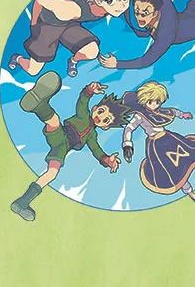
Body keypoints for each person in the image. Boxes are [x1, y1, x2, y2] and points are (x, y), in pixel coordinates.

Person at [10, 70, 129, 221]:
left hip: (62, 149)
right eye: (101, 111)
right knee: (54, 121)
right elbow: (82, 103)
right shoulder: (83, 115)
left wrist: (106, 160)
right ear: (95, 108)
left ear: (106, 127)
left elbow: (96, 150)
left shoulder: (92, 136)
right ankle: (39, 105)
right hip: (62, 134)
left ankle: (22, 202)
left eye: (106, 120)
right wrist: (89, 91)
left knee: (51, 174)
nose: (100, 118)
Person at [8, 0, 143, 78]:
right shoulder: (71, 9)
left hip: (70, 23)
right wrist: (34, 24)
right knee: (33, 71)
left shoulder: (106, 2)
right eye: (111, 0)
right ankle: (17, 58)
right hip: (48, 25)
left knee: (92, 51)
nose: (122, 5)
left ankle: (73, 61)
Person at [120, 80, 195, 204]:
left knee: (191, 152)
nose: (154, 105)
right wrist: (127, 145)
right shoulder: (140, 115)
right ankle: (190, 192)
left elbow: (171, 111)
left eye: (157, 102)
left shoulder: (159, 111)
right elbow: (129, 128)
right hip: (156, 146)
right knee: (173, 171)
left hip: (169, 138)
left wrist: (183, 115)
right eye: (150, 102)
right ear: (144, 100)